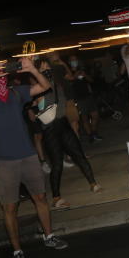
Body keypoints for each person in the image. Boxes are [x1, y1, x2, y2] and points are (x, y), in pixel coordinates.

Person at [0, 57, 68, 258]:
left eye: (1, 70)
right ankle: (17, 250)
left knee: (40, 197)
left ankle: (49, 236)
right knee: (10, 207)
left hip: (28, 155)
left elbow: (45, 86)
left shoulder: (16, 92)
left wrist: (31, 68)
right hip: (3, 161)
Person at [32, 53, 102, 209]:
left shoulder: (58, 83)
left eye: (47, 66)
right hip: (50, 129)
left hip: (63, 124)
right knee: (57, 164)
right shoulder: (37, 89)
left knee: (79, 154)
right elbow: (40, 107)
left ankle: (93, 183)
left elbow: (65, 73)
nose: (46, 69)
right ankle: (56, 197)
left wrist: (59, 63)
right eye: (43, 68)